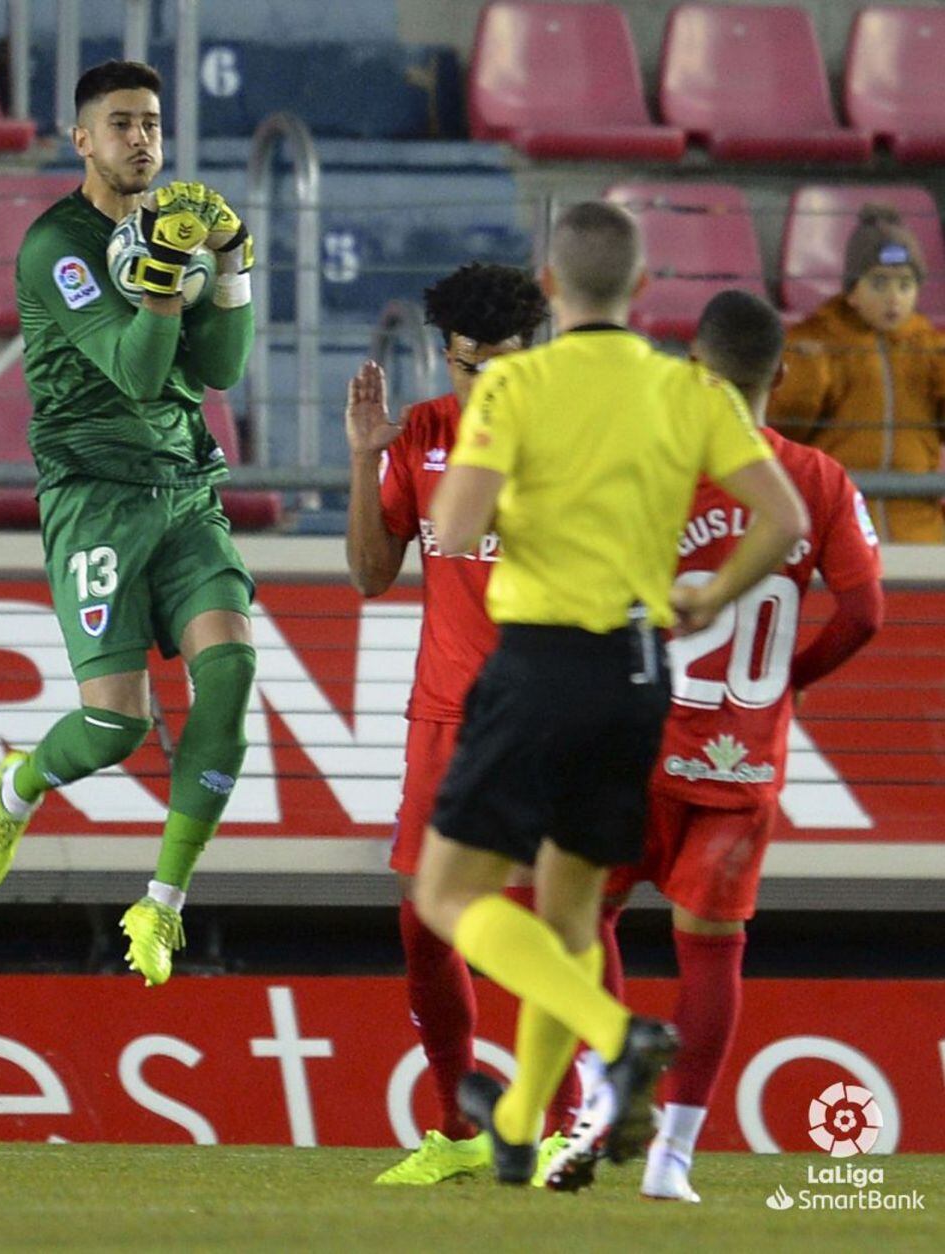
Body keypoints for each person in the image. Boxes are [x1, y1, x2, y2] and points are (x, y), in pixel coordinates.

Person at [412, 201, 809, 1190]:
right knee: (570, 916)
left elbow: (454, 526)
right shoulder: (691, 391)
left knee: (447, 892)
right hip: (639, 674)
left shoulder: (518, 385)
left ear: (549, 289)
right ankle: (515, 1122)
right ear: (640, 292)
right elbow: (782, 515)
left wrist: (519, 479)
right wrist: (710, 596)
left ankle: (616, 1036)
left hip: (540, 660)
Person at [0, 60, 257, 988]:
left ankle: (161, 903)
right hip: (94, 496)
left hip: (184, 487)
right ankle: (18, 784)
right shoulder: (58, 244)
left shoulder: (174, 228)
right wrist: (168, 277)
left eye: (153, 123)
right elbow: (132, 372)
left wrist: (233, 265)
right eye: (122, 123)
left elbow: (223, 371)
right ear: (81, 139)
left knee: (233, 672)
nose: (142, 138)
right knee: (115, 727)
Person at [593, 289, 884, 1203]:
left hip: (632, 749)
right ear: (782, 376)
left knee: (578, 920)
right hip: (741, 760)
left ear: (691, 373)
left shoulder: (650, 470)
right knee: (712, 953)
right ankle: (672, 1159)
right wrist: (790, 681)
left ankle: (601, 1097)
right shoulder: (821, 481)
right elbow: (868, 612)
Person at [346, 264, 578, 1186]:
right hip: (445, 720)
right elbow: (371, 577)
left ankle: (566, 1127)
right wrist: (365, 460)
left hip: (547, 715)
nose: (480, 384)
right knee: (426, 934)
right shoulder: (428, 436)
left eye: (501, 365)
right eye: (464, 365)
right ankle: (456, 1128)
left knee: (543, 924)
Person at [768, 203, 945, 543]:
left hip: (918, 532)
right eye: (879, 283)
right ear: (852, 291)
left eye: (905, 285)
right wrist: (809, 376)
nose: (894, 298)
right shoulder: (813, 343)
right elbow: (785, 431)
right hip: (840, 529)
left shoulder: (929, 348)